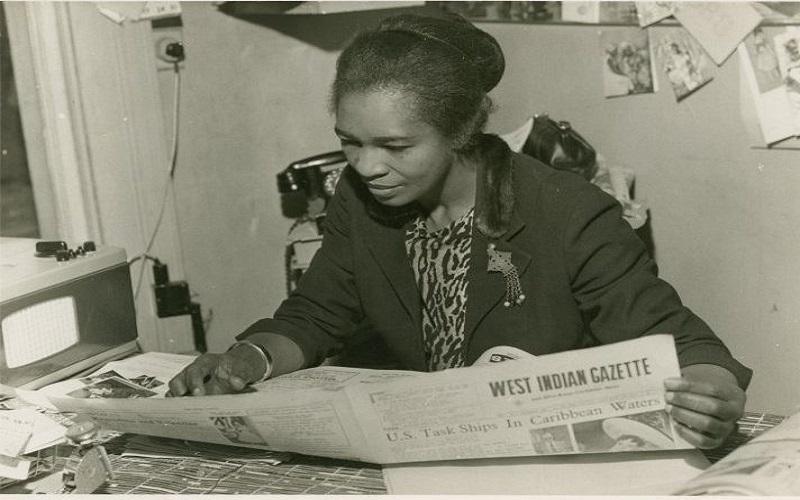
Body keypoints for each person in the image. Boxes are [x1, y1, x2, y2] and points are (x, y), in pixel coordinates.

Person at [168, 13, 751, 450]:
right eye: (351, 139)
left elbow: (679, 342)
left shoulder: (569, 210)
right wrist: (249, 358)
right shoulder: (358, 197)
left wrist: (710, 387)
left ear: (460, 131)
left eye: (395, 146)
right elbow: (318, 314)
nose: (366, 166)